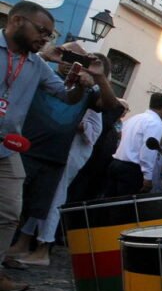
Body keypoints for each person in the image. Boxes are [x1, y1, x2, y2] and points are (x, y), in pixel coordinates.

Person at [0, 1, 91, 291]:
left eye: (49, 35)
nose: (45, 39)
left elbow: (67, 97)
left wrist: (80, 85)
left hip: (7, 148)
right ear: (16, 21)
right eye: (41, 31)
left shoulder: (37, 65)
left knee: (10, 212)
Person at [8, 50, 117, 265]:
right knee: (10, 206)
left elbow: (111, 105)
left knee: (30, 210)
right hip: (27, 150)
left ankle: (9, 253)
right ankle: (15, 249)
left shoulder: (86, 89)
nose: (72, 64)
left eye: (78, 60)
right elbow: (18, 70)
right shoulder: (44, 74)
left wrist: (99, 77)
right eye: (68, 57)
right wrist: (46, 55)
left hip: (55, 157)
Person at [104, 93, 162, 197]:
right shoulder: (155, 123)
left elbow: (121, 135)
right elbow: (148, 149)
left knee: (108, 202)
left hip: (116, 163)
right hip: (131, 170)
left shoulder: (135, 118)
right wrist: (147, 176)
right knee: (123, 207)